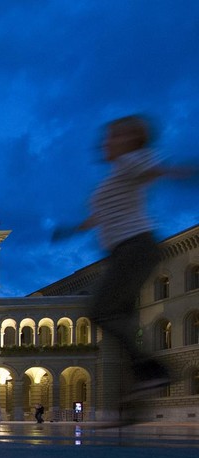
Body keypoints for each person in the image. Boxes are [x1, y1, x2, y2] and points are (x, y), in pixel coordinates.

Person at [53, 115, 194, 404]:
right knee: (123, 325)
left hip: (135, 247)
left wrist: (177, 171)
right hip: (124, 252)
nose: (105, 142)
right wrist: (71, 229)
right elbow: (96, 217)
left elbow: (153, 170)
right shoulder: (115, 177)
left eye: (113, 136)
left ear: (130, 140)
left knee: (100, 311)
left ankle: (153, 369)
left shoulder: (132, 162)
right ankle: (134, 402)